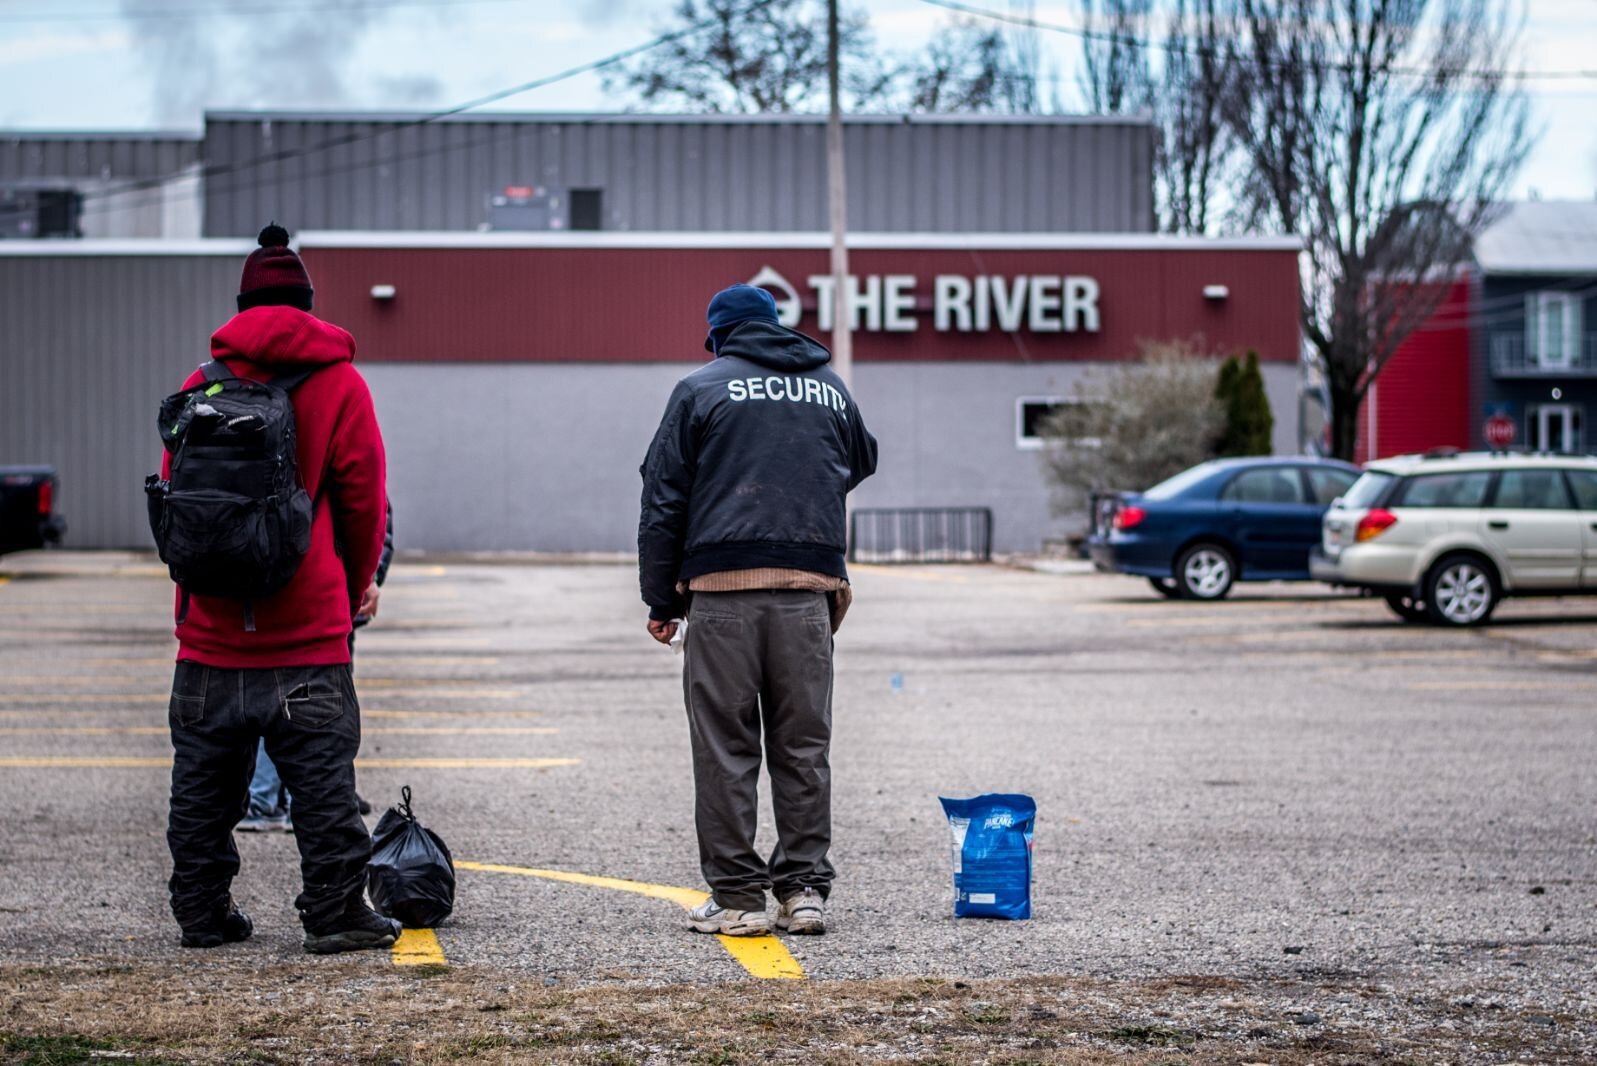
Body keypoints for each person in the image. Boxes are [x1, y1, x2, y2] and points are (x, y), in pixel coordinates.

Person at [160, 224, 399, 954]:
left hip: (209, 633)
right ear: (308, 305)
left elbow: (178, 504)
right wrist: (352, 591)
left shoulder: (200, 386)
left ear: (241, 307)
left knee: (202, 789)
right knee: (324, 786)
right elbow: (363, 501)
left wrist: (190, 602)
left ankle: (202, 912)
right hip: (306, 630)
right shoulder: (341, 383)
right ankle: (335, 912)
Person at [638, 284, 878, 937]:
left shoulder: (700, 389)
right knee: (803, 746)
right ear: (776, 326)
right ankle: (804, 892)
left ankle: (739, 899)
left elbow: (662, 496)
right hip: (808, 593)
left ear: (719, 336)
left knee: (725, 748)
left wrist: (661, 598)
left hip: (722, 595)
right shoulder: (829, 387)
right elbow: (861, 459)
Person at [238, 503, 393, 833]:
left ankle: (268, 799)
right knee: (311, 702)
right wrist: (365, 580)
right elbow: (370, 515)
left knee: (278, 695)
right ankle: (291, 799)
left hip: (277, 591)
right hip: (325, 599)